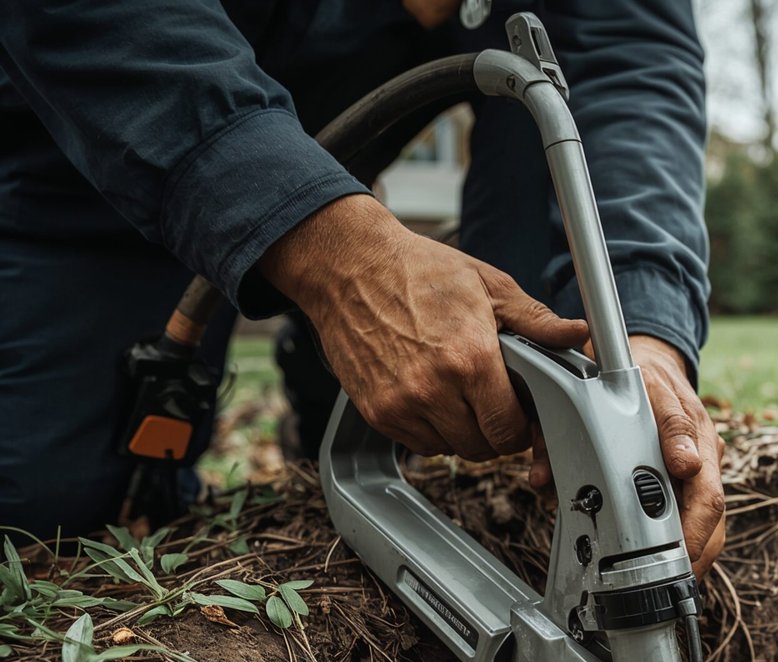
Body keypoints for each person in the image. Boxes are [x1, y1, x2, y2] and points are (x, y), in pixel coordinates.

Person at [0, 1, 725, 572]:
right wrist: (337, 258)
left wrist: (639, 334)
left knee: (530, 381)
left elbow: (629, 62)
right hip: (91, 128)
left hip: (385, 57)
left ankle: (333, 415)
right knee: (48, 516)